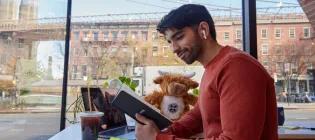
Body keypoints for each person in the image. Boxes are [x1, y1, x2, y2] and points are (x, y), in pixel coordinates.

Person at [135, 4, 278, 140]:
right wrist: (166, 131)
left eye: (179, 37)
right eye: (170, 42)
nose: (174, 48)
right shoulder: (212, 68)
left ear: (203, 29)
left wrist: (159, 138)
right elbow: (198, 116)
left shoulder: (236, 66)